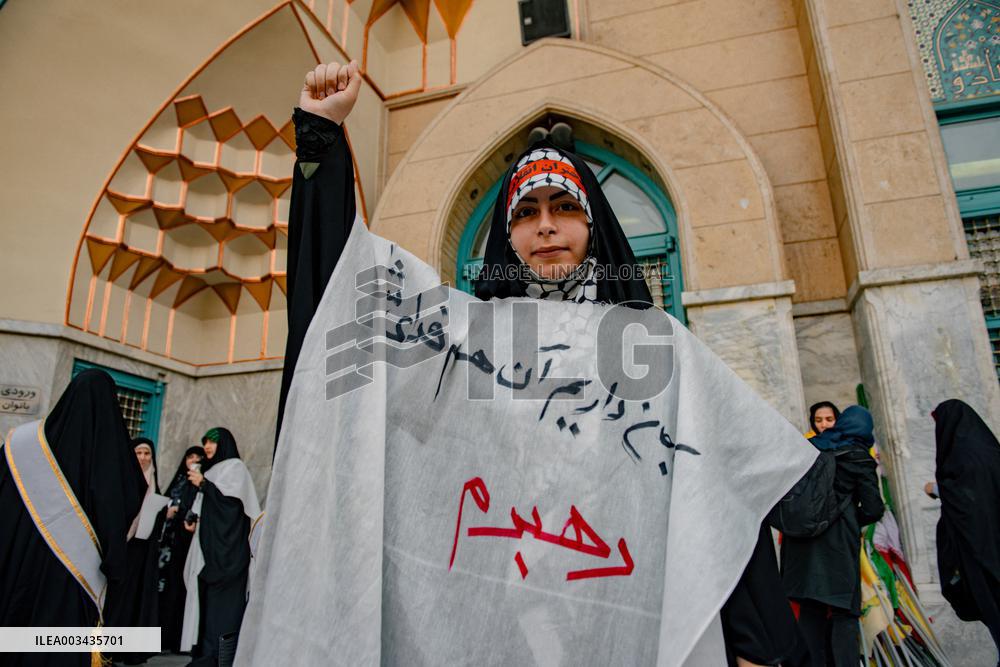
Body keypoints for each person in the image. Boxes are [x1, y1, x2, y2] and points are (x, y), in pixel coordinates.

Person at [244, 61, 817, 667]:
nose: (545, 226)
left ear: (592, 226)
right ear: (508, 233)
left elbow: (710, 485)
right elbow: (347, 301)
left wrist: (755, 646)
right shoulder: (465, 338)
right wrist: (321, 141)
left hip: (621, 621)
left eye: (562, 207)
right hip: (493, 620)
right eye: (525, 212)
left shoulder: (651, 344)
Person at [0, 369, 146, 666]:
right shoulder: (113, 463)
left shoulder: (19, 448)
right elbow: (124, 506)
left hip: (18, 573)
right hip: (72, 584)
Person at [781, 406, 885, 667]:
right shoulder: (858, 457)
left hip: (800, 543)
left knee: (810, 611)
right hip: (837, 544)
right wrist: (850, 519)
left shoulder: (808, 448)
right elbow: (873, 508)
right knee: (844, 613)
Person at [928, 399, 1000, 664]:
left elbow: (968, 503)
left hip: (982, 553)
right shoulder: (990, 451)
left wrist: (937, 489)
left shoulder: (962, 460)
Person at [180, 428, 260, 667]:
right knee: (206, 607)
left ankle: (218, 657)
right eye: (205, 441)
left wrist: (205, 485)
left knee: (221, 610)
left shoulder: (235, 468)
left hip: (227, 556)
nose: (207, 445)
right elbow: (204, 504)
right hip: (208, 551)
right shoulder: (212, 470)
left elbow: (231, 507)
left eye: (213, 441)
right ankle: (204, 655)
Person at [105, 437, 164, 664]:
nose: (142, 458)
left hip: (144, 551)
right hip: (123, 547)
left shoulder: (154, 483)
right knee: (118, 597)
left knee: (137, 597)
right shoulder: (123, 480)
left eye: (147, 453)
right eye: (138, 453)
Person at [158, 445, 206, 652]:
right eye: (190, 457)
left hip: (190, 544)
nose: (193, 461)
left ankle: (179, 640)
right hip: (170, 544)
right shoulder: (179, 482)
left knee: (183, 589)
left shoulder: (202, 484)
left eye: (198, 457)